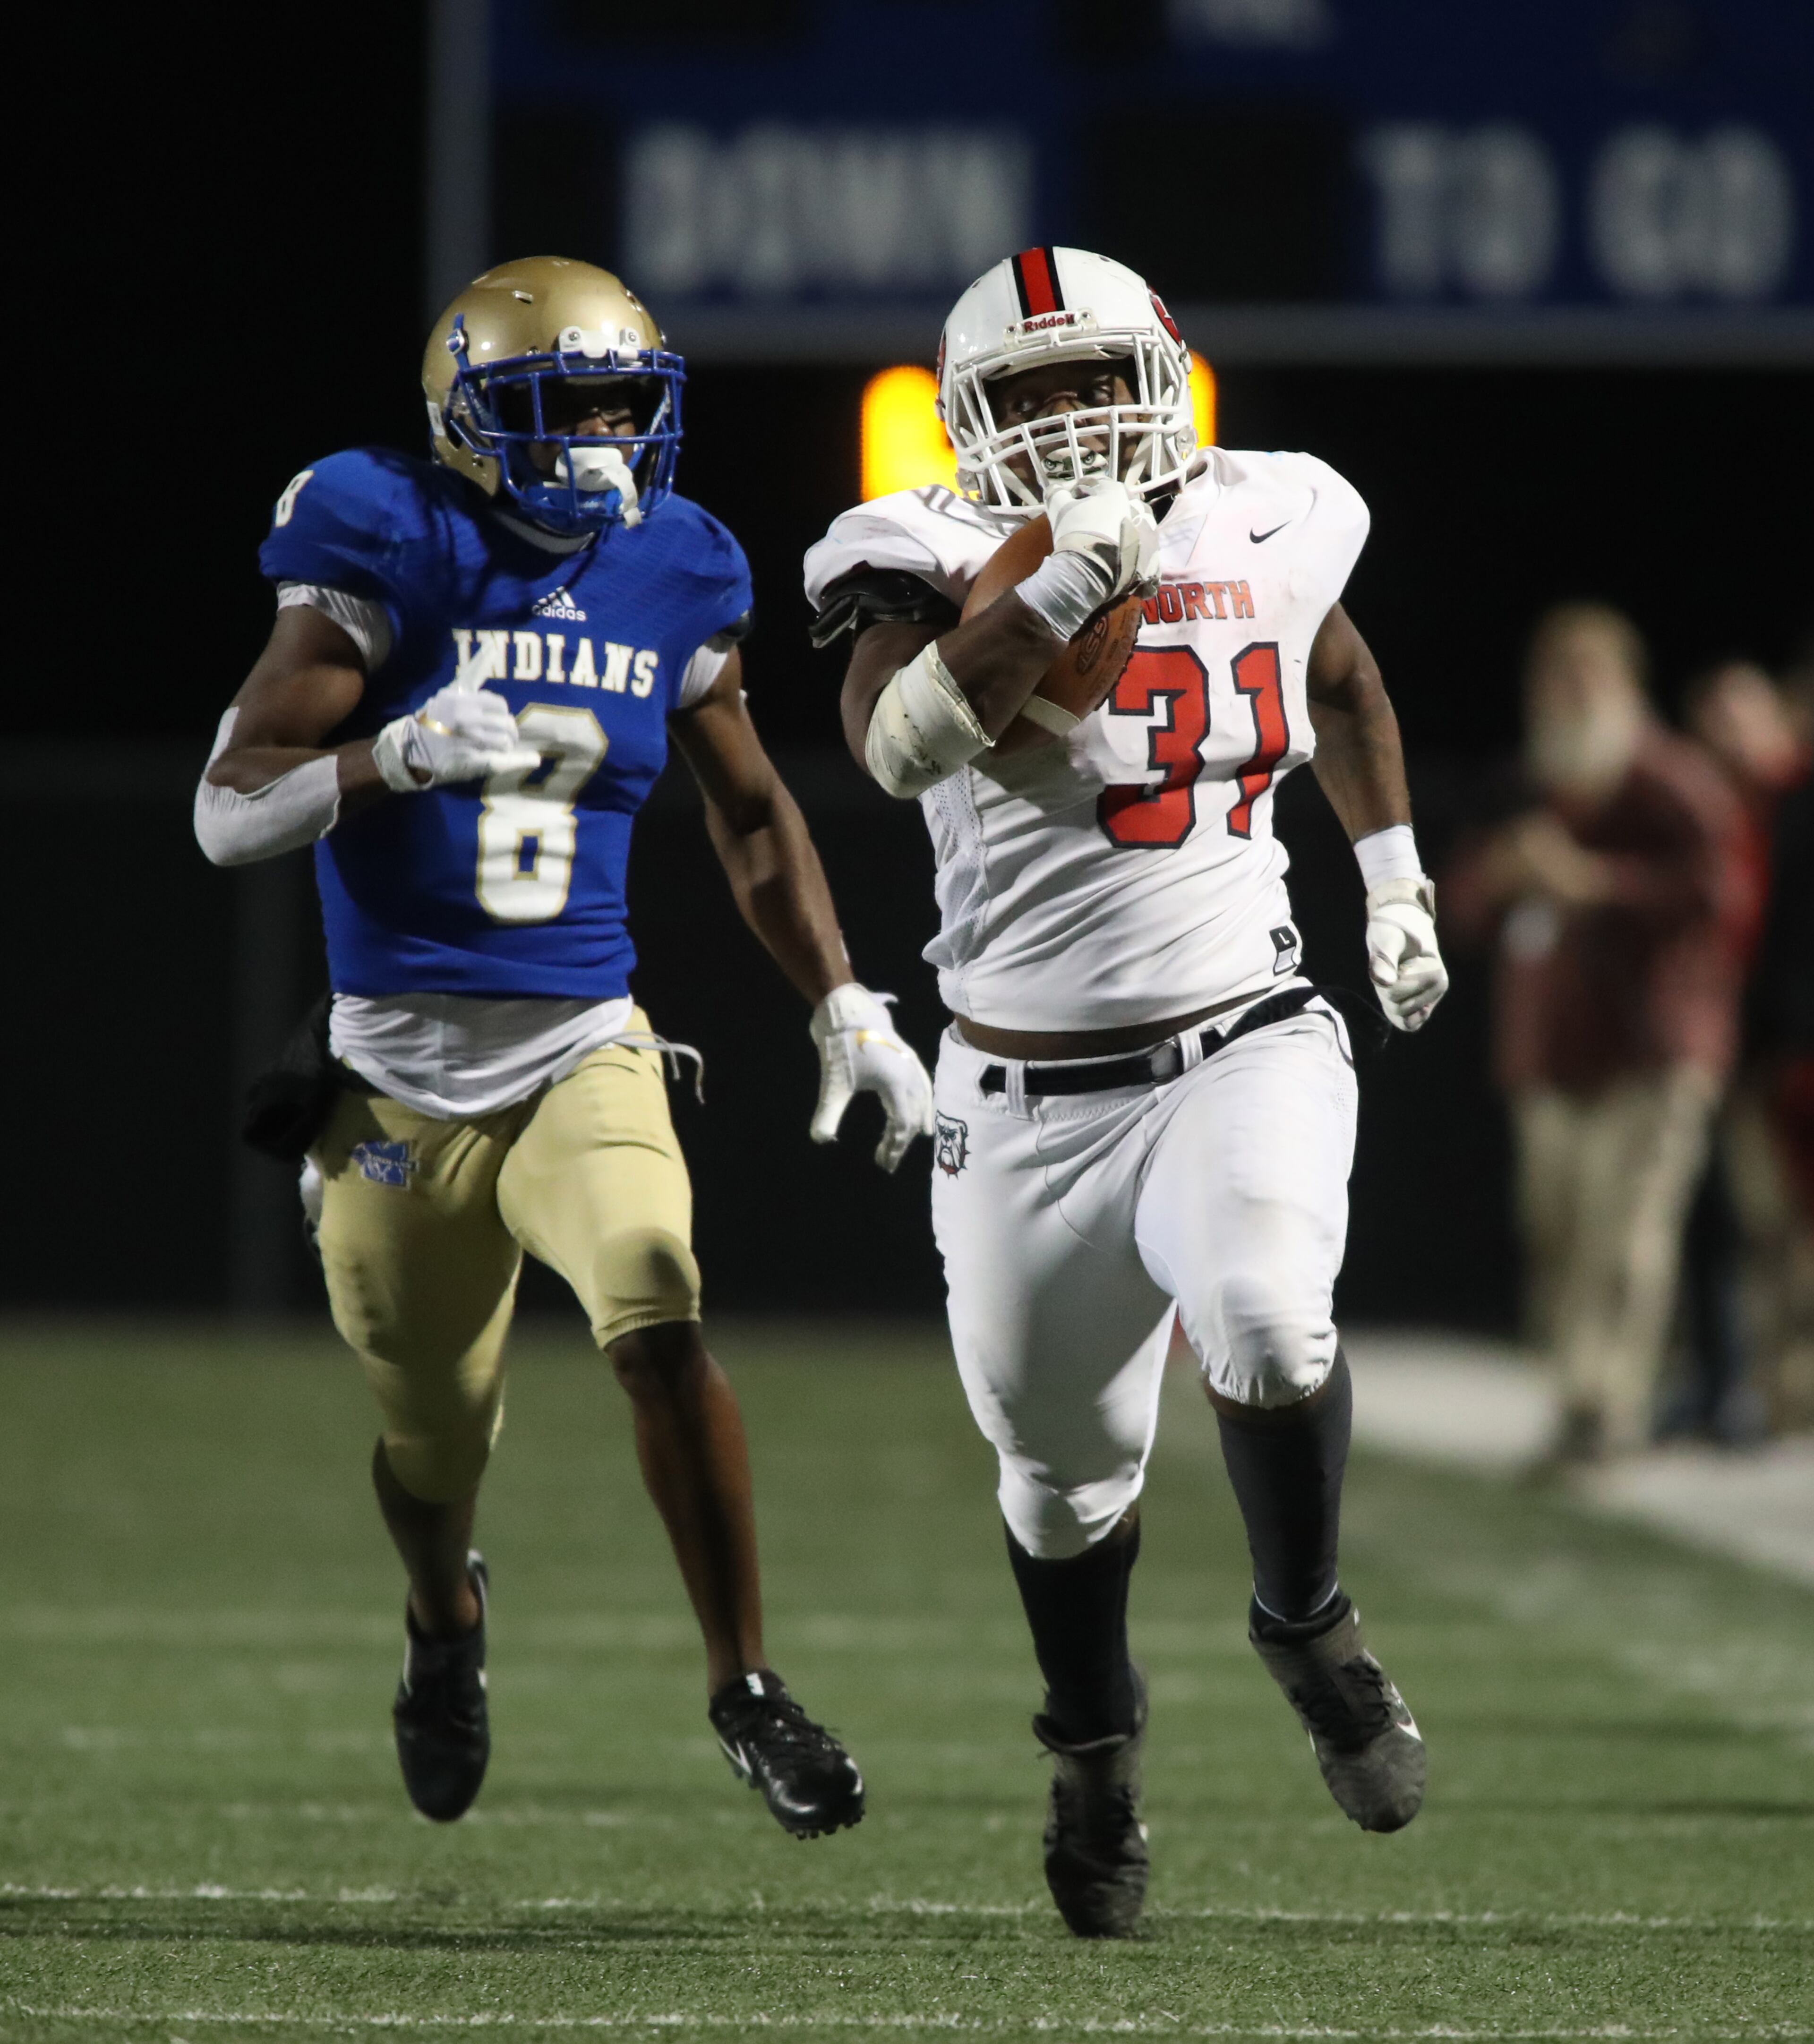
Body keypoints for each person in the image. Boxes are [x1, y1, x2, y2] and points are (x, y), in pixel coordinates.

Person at [195, 257, 934, 1839]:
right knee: (431, 1432)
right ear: (469, 420)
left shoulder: (680, 561)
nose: (605, 436)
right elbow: (225, 806)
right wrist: (388, 752)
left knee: (656, 1302)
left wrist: (845, 998)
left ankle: (747, 1683)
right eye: (566, 404)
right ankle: (445, 1623)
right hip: (394, 1073)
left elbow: (746, 809)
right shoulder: (385, 531)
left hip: (582, 1042)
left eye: (625, 402)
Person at [805, 247, 1448, 1939]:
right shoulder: (921, 546)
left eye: (1097, 380)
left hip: (1240, 1032)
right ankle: (1093, 1750)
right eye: (1030, 395)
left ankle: (1306, 1617)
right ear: (968, 424)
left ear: (1163, 374)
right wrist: (1056, 583)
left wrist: (1392, 880)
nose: (1075, 417)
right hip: (1016, 1098)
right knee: (1062, 1482)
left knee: (1267, 1315)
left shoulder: (1275, 508)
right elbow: (897, 744)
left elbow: (1346, 679)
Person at [1445, 604, 1746, 1465]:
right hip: (1552, 1052)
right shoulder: (1532, 781)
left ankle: (1603, 1407)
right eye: (1556, 677)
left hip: (1655, 1050)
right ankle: (1578, 1392)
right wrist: (1503, 876)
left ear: (1625, 684)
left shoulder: (1670, 779)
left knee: (1627, 1236)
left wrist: (1596, 884)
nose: (1570, 695)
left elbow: (1721, 895)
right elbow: (1461, 901)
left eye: (1588, 676)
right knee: (1559, 1234)